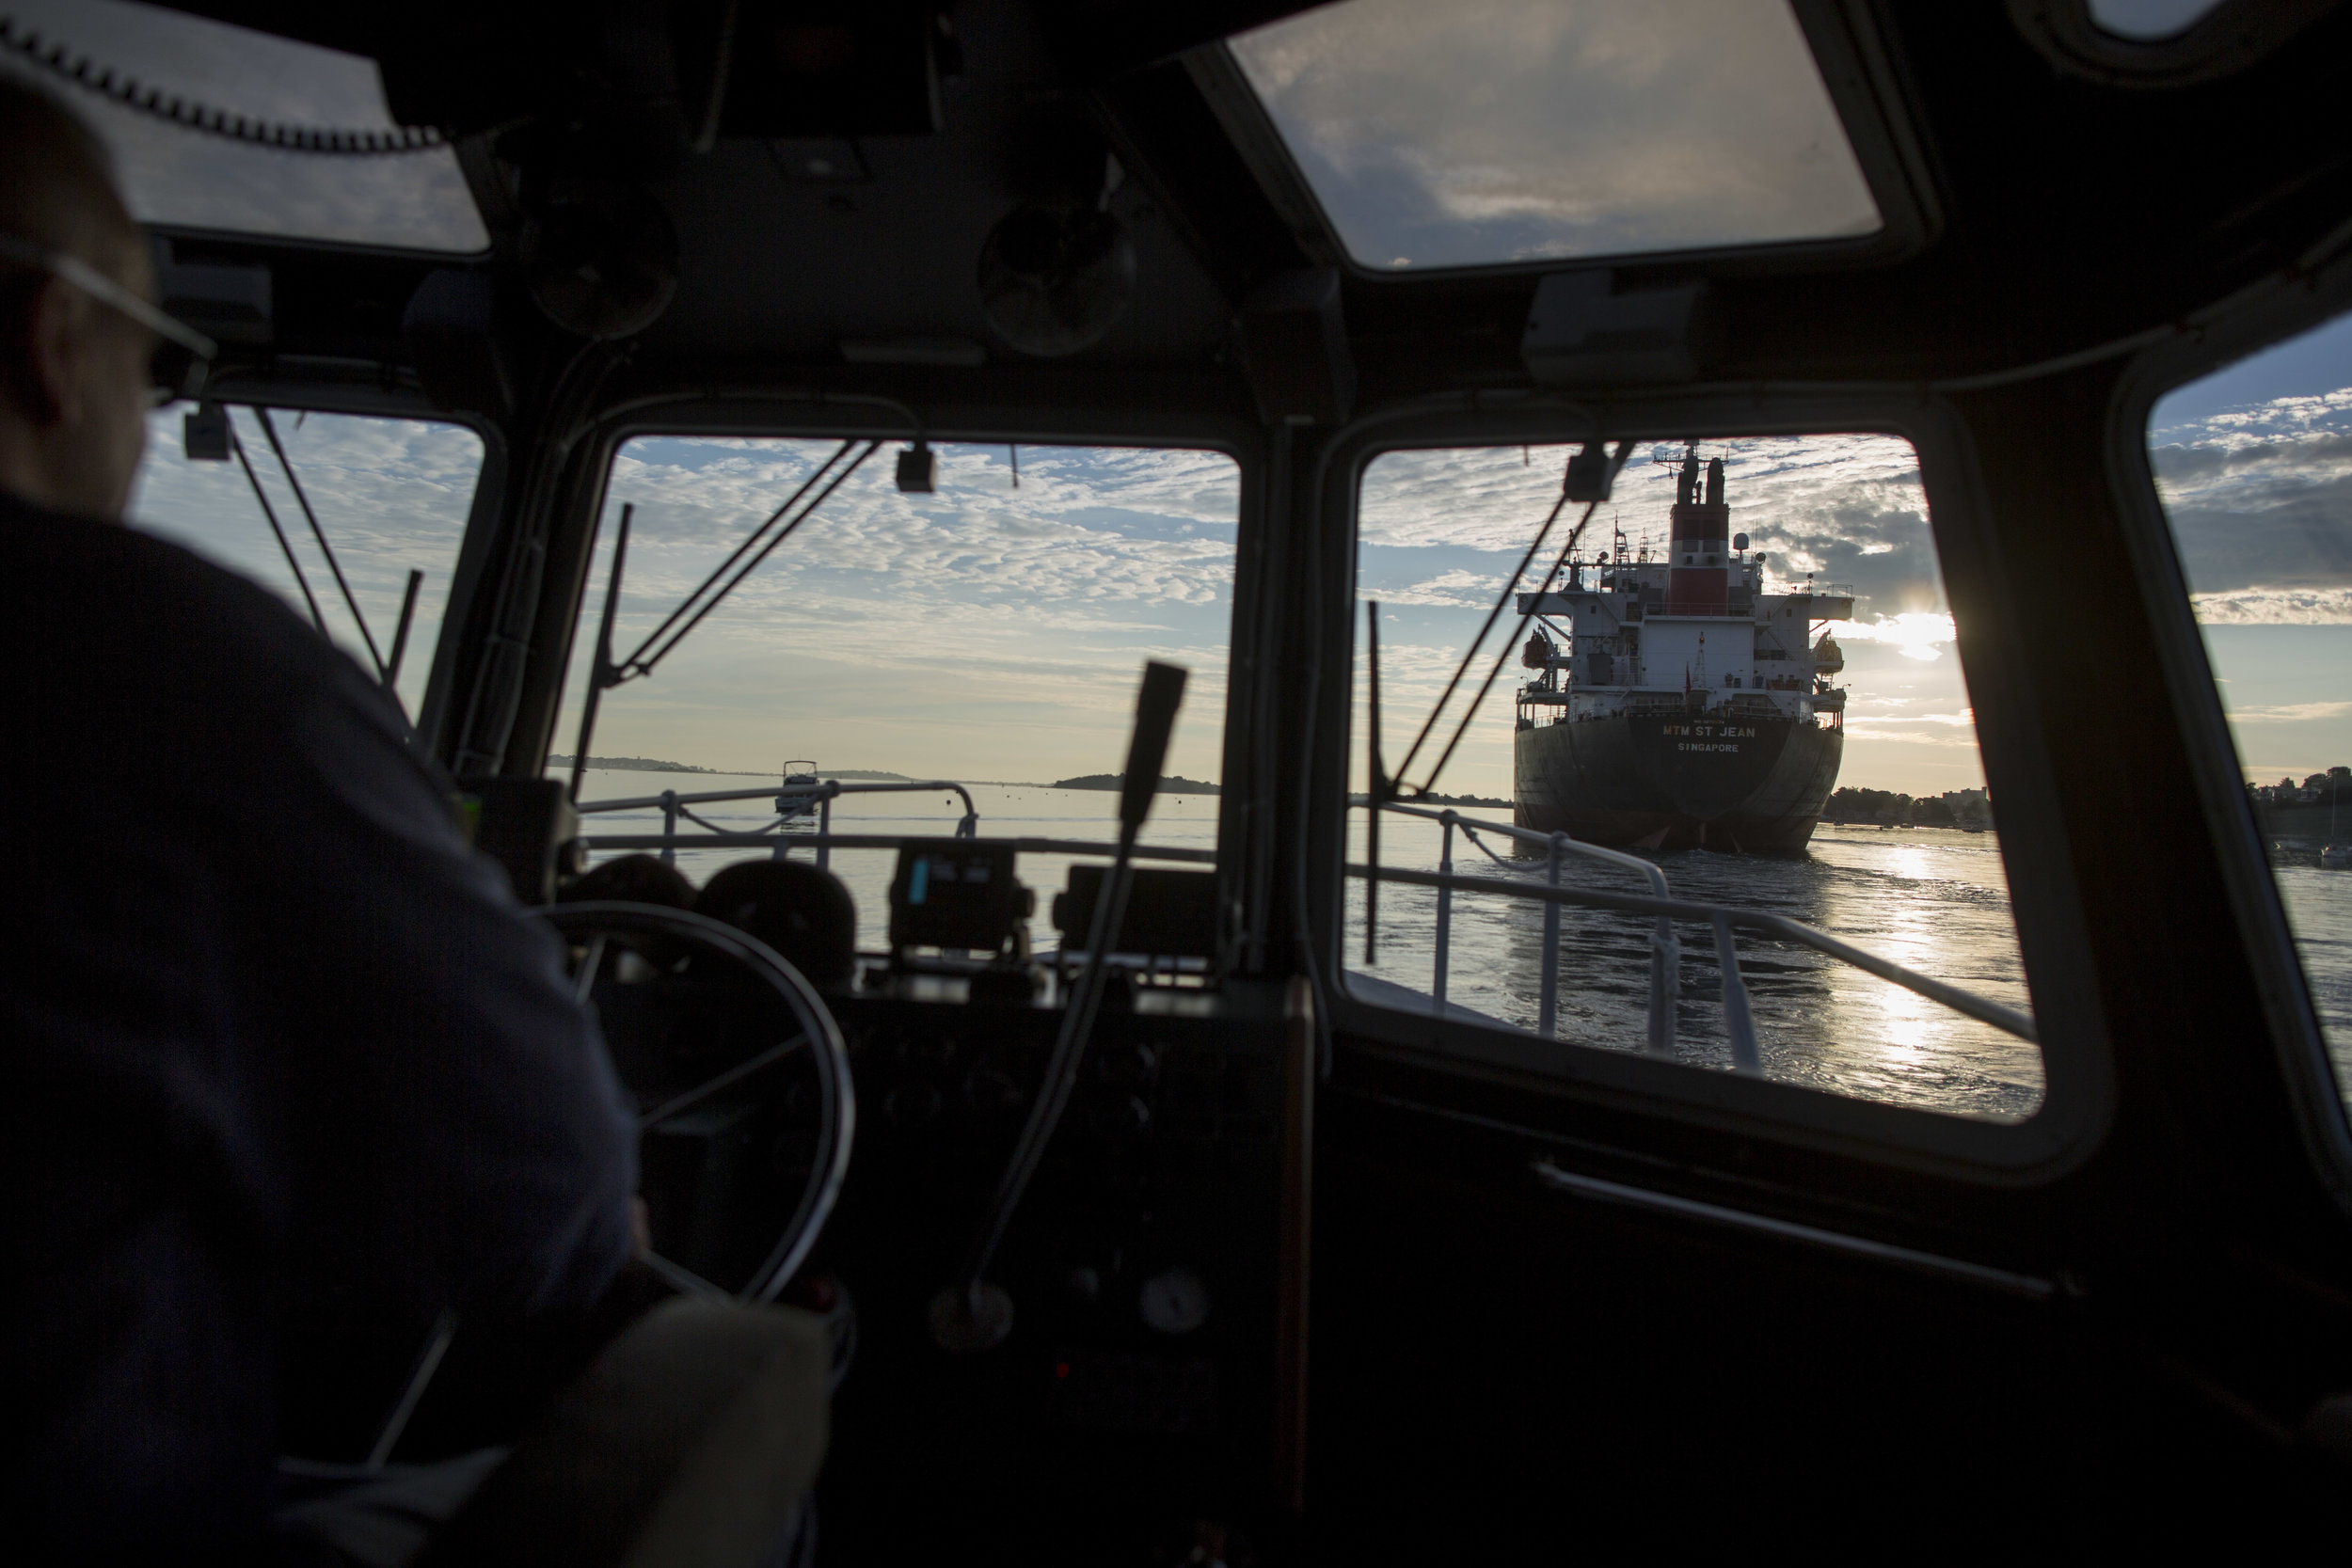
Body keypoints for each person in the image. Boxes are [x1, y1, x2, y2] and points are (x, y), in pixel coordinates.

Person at [0, 77, 640, 1561]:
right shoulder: (173, 673)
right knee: (743, 1438)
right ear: (53, 342)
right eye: (158, 373)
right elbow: (540, 1200)